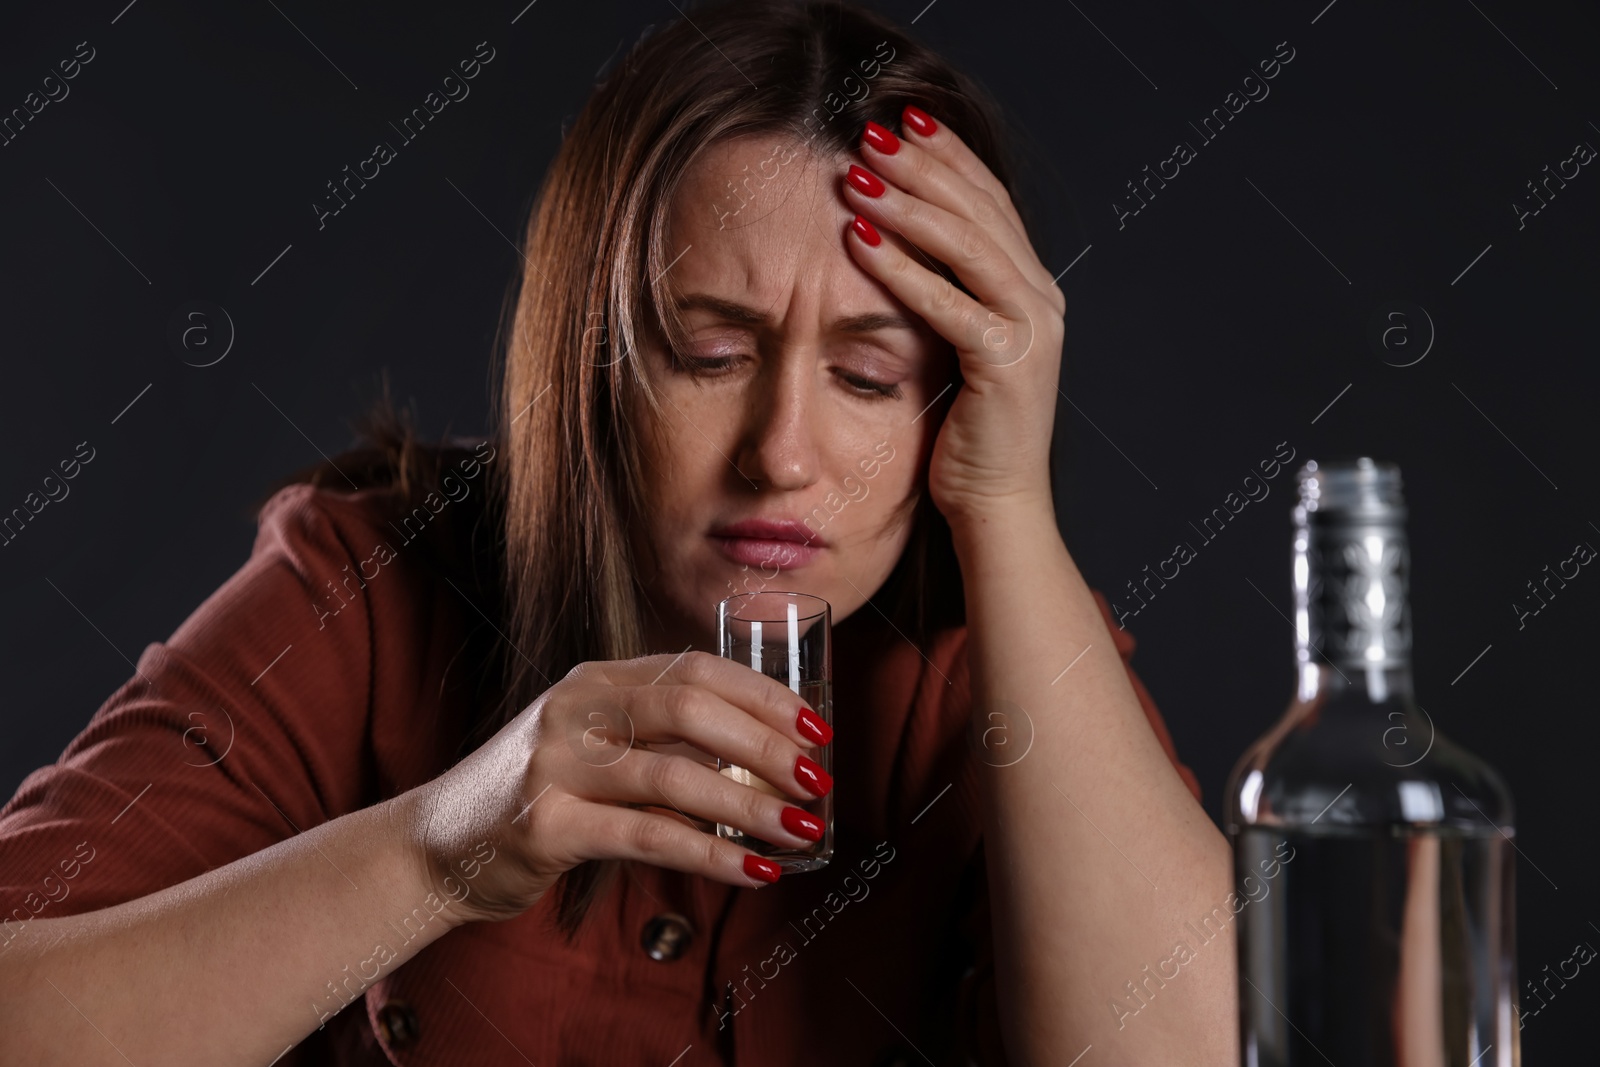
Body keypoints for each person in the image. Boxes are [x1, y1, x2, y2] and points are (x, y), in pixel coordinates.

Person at [0, 1, 1235, 1063]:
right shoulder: (373, 590)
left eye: (868, 377)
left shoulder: (996, 658)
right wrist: (439, 851)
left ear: (951, 403)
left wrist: (1010, 505)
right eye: (711, 354)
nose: (781, 451)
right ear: (590, 367)